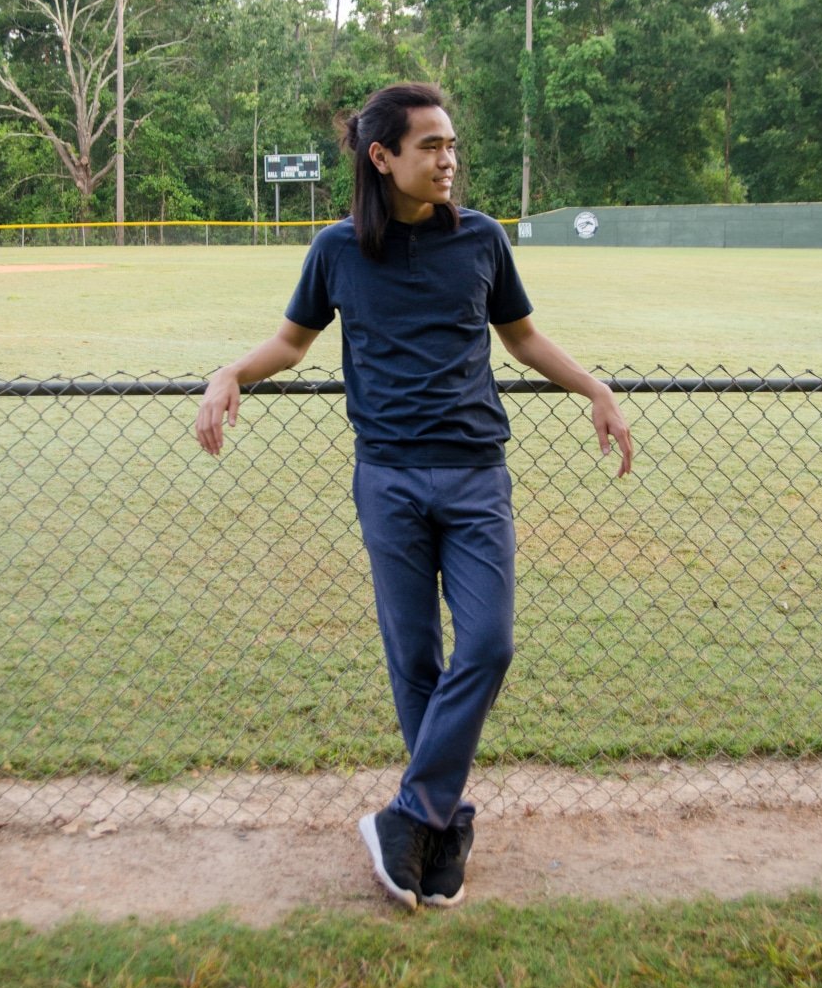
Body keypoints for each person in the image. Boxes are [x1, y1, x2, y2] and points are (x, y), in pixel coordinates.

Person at [195, 82, 632, 910]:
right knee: (415, 661)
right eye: (430, 146)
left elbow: (524, 337)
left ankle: (408, 814)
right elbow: (291, 344)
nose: (449, 161)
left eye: (452, 144)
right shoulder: (335, 251)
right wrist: (229, 372)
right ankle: (444, 825)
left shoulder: (481, 241)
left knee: (490, 644)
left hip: (475, 474)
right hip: (387, 477)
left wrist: (595, 389)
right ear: (382, 157)